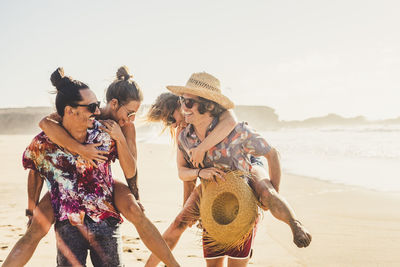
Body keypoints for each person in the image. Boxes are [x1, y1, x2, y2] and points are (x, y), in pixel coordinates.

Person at [3, 67, 179, 267]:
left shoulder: (121, 129)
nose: (131, 120)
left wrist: (136, 194)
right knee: (35, 229)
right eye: (129, 113)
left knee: (134, 210)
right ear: (113, 103)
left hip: (100, 182)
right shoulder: (75, 117)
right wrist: (30, 209)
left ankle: (173, 264)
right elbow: (44, 130)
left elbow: (131, 168)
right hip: (64, 184)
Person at [146, 72, 312, 267]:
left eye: (188, 103)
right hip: (213, 188)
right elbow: (185, 176)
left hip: (243, 176)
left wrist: (272, 195)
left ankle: (293, 224)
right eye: (183, 101)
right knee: (180, 223)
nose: (175, 122)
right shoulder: (184, 137)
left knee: (266, 191)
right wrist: (192, 209)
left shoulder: (231, 126)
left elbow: (268, 151)